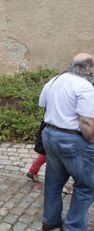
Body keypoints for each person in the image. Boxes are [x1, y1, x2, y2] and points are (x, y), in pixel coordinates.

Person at [39, 53, 94, 231]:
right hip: (72, 140)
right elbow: (86, 123)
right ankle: (73, 226)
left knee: (53, 183)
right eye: (92, 67)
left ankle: (50, 221)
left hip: (49, 135)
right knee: (87, 186)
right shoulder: (85, 87)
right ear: (86, 68)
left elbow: (43, 104)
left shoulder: (55, 80)